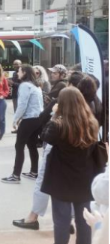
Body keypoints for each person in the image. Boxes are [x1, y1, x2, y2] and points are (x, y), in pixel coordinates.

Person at [13, 72, 102, 231]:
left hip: (59, 153)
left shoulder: (64, 106)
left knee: (46, 182)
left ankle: (35, 217)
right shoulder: (95, 105)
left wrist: (55, 113)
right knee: (76, 192)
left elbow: (46, 131)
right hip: (83, 159)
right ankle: (72, 221)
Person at [41, 87, 100, 244]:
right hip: (84, 176)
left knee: (61, 220)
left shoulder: (58, 125)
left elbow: (44, 136)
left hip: (60, 179)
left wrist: (54, 115)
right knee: (84, 219)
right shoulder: (92, 123)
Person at [2, 65, 43, 184]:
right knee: (32, 145)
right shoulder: (35, 85)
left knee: (19, 146)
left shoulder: (24, 86)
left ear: (24, 72)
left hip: (29, 119)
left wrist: (15, 120)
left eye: (19, 71)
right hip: (37, 119)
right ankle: (34, 172)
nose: (17, 73)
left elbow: (22, 105)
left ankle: (15, 175)